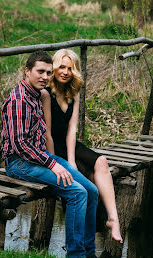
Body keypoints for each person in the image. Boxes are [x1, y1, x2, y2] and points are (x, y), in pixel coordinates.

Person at [1, 50, 99, 258]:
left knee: (91, 190)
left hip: (39, 159)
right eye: (40, 72)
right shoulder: (19, 100)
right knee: (77, 193)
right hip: (19, 163)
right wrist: (52, 163)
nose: (45, 77)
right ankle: (76, 256)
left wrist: (56, 161)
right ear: (27, 71)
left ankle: (90, 254)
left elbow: (45, 137)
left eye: (47, 72)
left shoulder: (37, 95)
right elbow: (19, 145)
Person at [40, 49, 123, 244]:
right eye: (61, 66)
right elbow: (48, 133)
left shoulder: (73, 92)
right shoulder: (45, 94)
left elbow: (72, 128)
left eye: (70, 68)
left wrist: (71, 160)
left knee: (101, 162)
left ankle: (113, 219)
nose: (65, 72)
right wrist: (58, 163)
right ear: (54, 67)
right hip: (51, 146)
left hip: (69, 144)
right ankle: (84, 240)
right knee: (84, 179)